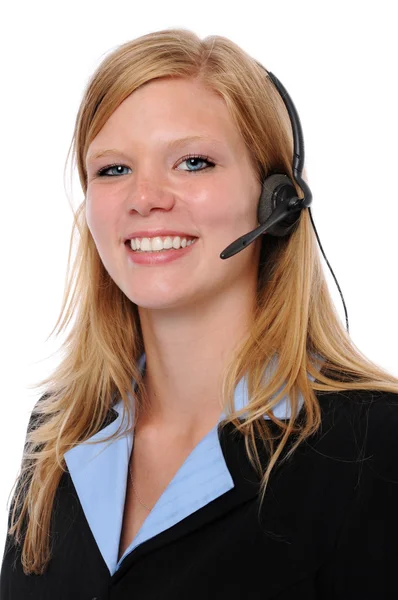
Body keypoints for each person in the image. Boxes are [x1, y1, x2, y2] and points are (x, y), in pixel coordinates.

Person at [1, 28, 398, 600]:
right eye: (113, 169)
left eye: (192, 162)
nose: (145, 197)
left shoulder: (372, 447)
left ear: (278, 200)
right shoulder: (59, 435)